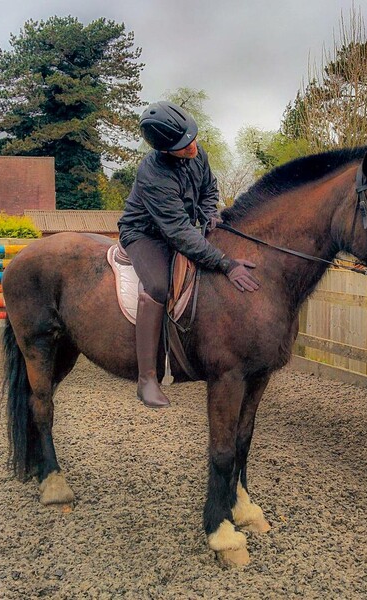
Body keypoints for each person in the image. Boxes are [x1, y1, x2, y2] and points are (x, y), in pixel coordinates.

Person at [118, 101, 259, 409]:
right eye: (184, 146)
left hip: (181, 227)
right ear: (166, 149)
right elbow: (178, 233)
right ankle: (146, 379)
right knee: (156, 287)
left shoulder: (196, 152)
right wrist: (226, 263)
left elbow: (209, 187)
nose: (193, 146)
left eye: (192, 138)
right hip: (146, 235)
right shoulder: (152, 174)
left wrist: (210, 214)